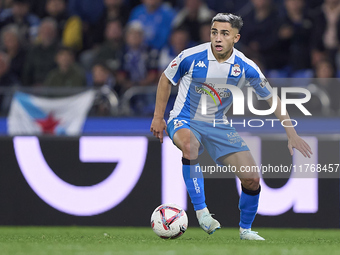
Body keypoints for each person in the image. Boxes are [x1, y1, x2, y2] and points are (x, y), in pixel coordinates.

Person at [150, 13, 312, 240]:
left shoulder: (246, 66)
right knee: (189, 144)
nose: (217, 38)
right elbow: (166, 79)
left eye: (224, 33)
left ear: (236, 37)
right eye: (214, 32)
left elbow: (271, 98)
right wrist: (158, 117)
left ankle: (245, 230)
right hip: (184, 118)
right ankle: (202, 212)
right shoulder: (191, 56)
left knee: (252, 179)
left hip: (218, 125)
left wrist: (291, 133)